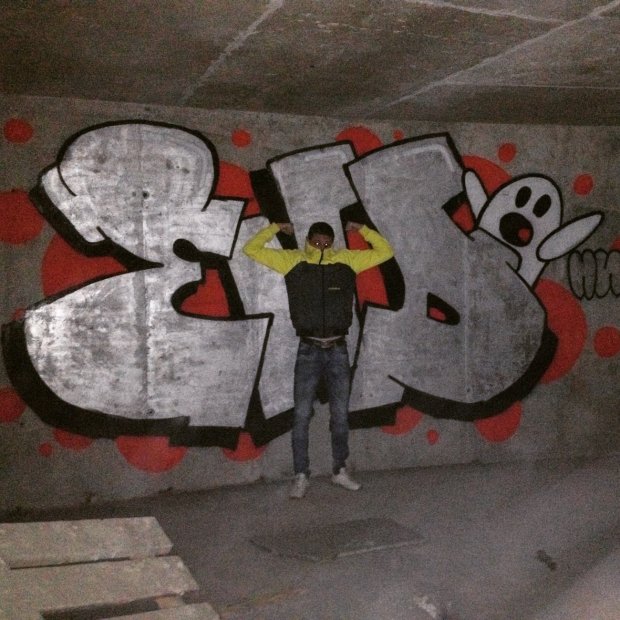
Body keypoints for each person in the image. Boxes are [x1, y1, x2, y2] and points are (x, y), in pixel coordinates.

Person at [243, 220, 394, 498]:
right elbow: (251, 249)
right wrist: (275, 228)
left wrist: (362, 230)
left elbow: (385, 251)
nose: (322, 246)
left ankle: (340, 470)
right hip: (308, 349)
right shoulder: (293, 261)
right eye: (316, 241)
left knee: (340, 415)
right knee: (301, 415)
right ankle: (301, 475)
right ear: (308, 240)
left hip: (338, 349)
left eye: (326, 242)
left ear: (332, 242)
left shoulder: (347, 260)